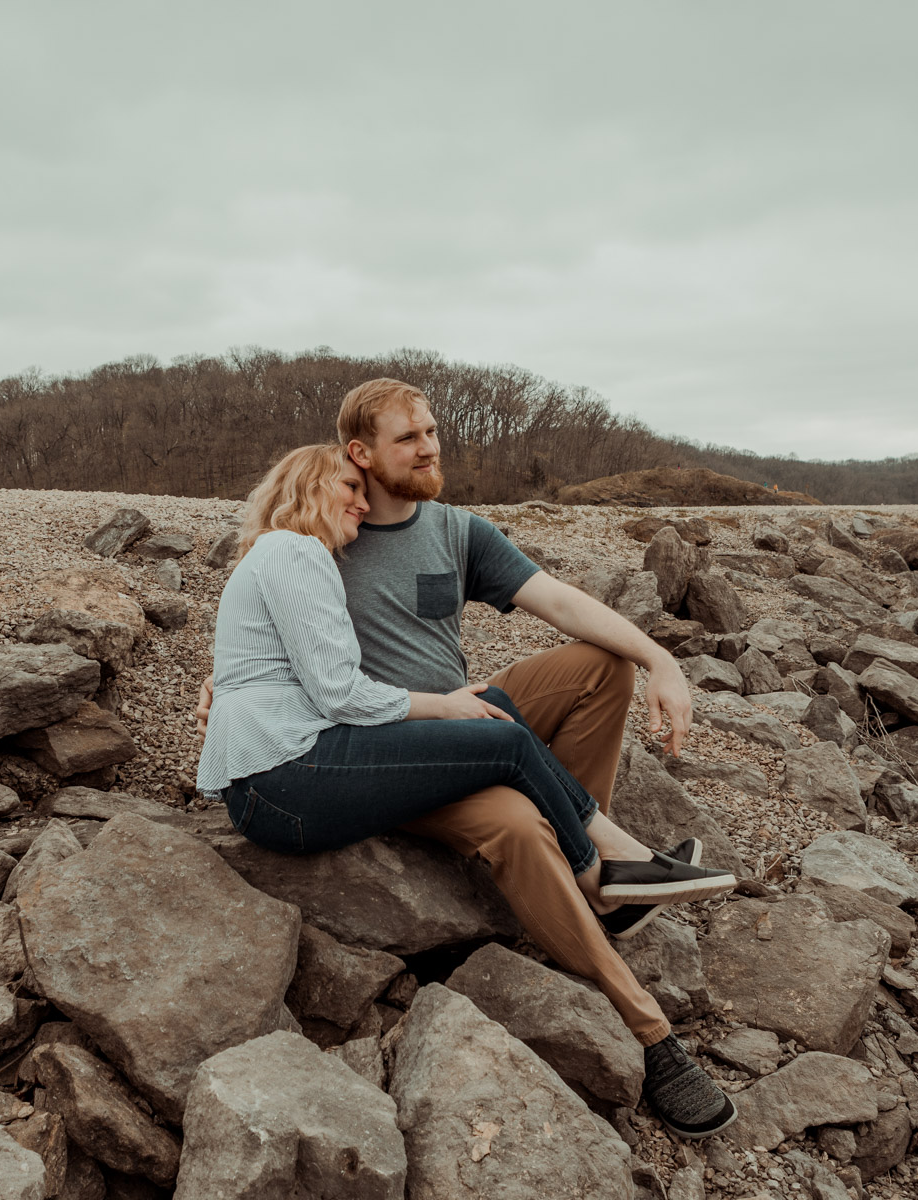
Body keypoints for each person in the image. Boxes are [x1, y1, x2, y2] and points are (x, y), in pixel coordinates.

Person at [197, 385, 740, 1139]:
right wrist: (220, 683)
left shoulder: (456, 530)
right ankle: (648, 1028)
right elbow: (275, 635)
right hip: (380, 747)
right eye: (407, 438)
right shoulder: (324, 539)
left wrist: (660, 659)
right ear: (358, 454)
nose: (428, 448)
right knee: (516, 821)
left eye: (431, 431)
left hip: (457, 711)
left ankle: (589, 869)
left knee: (601, 666)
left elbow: (561, 601)